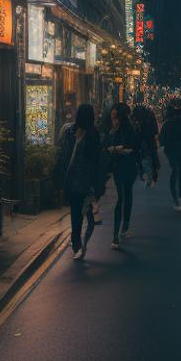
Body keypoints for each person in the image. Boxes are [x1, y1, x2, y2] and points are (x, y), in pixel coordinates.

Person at [55, 103, 102, 261]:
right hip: (76, 181)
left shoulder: (90, 134)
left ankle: (79, 244)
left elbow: (94, 161)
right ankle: (77, 244)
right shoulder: (72, 132)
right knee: (78, 215)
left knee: (86, 217)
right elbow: (96, 161)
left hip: (82, 182)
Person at [105, 102, 139, 249]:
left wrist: (118, 149)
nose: (113, 117)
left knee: (127, 194)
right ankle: (116, 235)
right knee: (122, 197)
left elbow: (132, 148)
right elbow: (108, 146)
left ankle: (125, 226)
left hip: (129, 167)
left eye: (115, 114)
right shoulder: (112, 129)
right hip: (118, 167)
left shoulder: (129, 129)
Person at [159, 103, 181, 211]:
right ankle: (180, 197)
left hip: (171, 150)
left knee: (175, 170)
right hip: (180, 149)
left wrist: (164, 144)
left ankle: (176, 198)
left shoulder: (167, 123)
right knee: (180, 171)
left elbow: (161, 138)